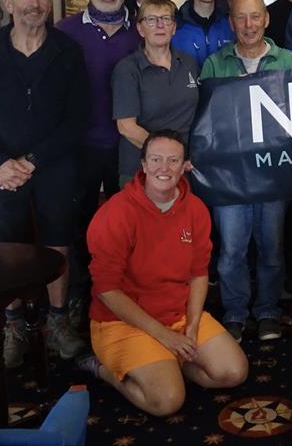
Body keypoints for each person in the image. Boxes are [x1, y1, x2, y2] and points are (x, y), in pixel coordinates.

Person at [0, 0, 90, 367]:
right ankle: (15, 323)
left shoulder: (67, 51)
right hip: (1, 170)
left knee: (58, 243)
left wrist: (31, 162)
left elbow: (77, 118)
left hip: (54, 165)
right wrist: (2, 162)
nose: (35, 4)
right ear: (8, 2)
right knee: (8, 249)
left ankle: (57, 323)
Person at [80, 130, 247, 416]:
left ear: (184, 166)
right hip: (121, 322)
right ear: (143, 165)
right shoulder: (115, 213)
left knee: (233, 373)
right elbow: (106, 290)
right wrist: (162, 336)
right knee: (168, 401)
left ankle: (168, 362)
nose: (164, 168)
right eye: (156, 159)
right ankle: (105, 370)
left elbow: (198, 274)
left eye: (173, 161)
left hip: (177, 314)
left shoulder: (195, 209)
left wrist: (192, 324)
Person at [200, 0, 292, 342]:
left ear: (266, 19)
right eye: (241, 18)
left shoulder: (288, 60)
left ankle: (270, 310)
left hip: (274, 174)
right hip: (229, 177)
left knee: (271, 245)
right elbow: (206, 122)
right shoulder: (215, 63)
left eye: (255, 16)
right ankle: (235, 311)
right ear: (231, 22)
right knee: (231, 249)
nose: (248, 25)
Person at [56, 0, 142, 328]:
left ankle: (126, 298)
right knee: (80, 225)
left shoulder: (141, 30)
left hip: (128, 145)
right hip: (80, 147)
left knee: (127, 227)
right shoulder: (64, 31)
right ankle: (80, 299)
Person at [112, 0, 200, 183]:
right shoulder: (127, 69)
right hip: (141, 169)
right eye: (151, 19)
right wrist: (169, 157)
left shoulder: (189, 63)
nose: (160, 25)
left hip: (182, 168)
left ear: (174, 27)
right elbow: (126, 127)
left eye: (166, 19)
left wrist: (180, 160)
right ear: (140, 28)